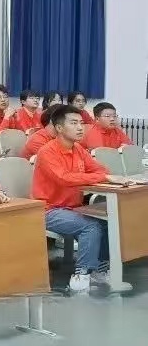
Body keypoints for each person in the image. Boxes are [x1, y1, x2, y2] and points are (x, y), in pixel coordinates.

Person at [32, 105, 137, 293]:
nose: (80, 127)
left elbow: (101, 170)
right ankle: (82, 274)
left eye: (81, 123)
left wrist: (100, 176)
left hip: (73, 208)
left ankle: (100, 270)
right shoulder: (47, 152)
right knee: (91, 226)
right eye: (74, 123)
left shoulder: (78, 149)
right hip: (49, 210)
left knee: (107, 223)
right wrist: (102, 177)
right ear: (59, 128)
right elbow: (64, 178)